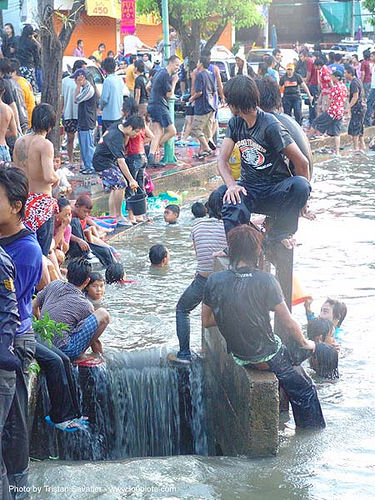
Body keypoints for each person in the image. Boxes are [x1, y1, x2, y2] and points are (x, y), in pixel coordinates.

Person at [202, 224, 325, 429]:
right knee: (305, 389)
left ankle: (284, 414)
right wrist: (306, 343)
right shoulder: (267, 280)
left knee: (296, 363)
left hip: (239, 355)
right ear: (258, 251)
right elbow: (288, 323)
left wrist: (231, 314)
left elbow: (206, 322)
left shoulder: (214, 280)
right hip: (266, 356)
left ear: (231, 251)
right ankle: (310, 438)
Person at [218, 75, 310, 250]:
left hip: (275, 191)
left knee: (301, 185)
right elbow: (222, 160)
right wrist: (231, 185)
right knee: (221, 196)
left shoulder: (270, 125)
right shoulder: (235, 123)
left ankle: (279, 235)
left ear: (235, 105)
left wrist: (302, 201)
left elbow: (302, 162)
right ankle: (240, 247)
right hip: (249, 188)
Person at [0, 164, 40, 498]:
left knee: (12, 426)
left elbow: (9, 306)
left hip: (12, 341)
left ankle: (18, 489)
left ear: (15, 205)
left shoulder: (27, 250)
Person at [176, 190, 227, 361]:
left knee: (182, 310)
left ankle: (184, 353)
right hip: (225, 282)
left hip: (203, 280)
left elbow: (200, 255)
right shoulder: (231, 226)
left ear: (208, 208)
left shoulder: (196, 226)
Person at [32, 258, 110, 362]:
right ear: (87, 281)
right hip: (64, 351)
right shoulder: (85, 304)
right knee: (103, 314)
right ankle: (80, 355)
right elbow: (94, 339)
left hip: (42, 342)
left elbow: (34, 306)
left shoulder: (54, 284)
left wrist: (40, 323)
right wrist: (100, 357)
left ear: (67, 274)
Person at [13, 103, 59, 256]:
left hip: (22, 201)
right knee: (41, 253)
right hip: (41, 204)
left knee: (24, 248)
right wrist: (57, 177)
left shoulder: (20, 142)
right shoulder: (45, 145)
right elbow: (48, 176)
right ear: (50, 124)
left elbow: (14, 173)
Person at [93, 115, 144, 224]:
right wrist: (131, 180)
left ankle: (112, 216)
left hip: (106, 161)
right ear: (130, 127)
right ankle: (119, 215)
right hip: (102, 162)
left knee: (115, 187)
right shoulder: (115, 137)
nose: (136, 135)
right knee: (121, 183)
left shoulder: (119, 125)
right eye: (136, 131)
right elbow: (121, 161)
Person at [147, 55, 181, 167]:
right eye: (176, 65)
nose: (178, 68)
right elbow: (169, 94)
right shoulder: (166, 75)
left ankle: (151, 155)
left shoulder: (158, 72)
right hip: (159, 105)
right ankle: (155, 147)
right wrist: (175, 81)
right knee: (172, 131)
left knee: (158, 132)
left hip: (152, 103)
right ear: (170, 63)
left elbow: (148, 86)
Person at [68, 195, 117, 267]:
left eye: (88, 212)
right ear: (77, 206)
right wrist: (78, 240)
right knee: (75, 222)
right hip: (72, 247)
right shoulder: (69, 216)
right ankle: (86, 254)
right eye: (84, 211)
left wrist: (97, 227)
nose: (86, 214)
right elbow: (65, 233)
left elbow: (88, 220)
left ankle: (115, 271)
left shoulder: (81, 216)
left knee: (106, 251)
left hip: (83, 245)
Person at [308, 71, 348, 156]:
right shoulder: (344, 87)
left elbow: (330, 100)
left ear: (337, 77)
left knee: (315, 123)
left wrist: (327, 109)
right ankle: (337, 152)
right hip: (340, 112)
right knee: (337, 132)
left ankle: (306, 142)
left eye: (333, 76)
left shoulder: (335, 87)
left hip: (332, 111)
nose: (331, 78)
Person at [189, 55, 216, 159]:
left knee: (196, 129)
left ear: (200, 64)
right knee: (205, 131)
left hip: (202, 107)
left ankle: (206, 148)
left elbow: (199, 92)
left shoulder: (200, 75)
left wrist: (192, 98)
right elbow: (214, 91)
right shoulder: (210, 74)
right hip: (211, 106)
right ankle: (201, 151)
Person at [71, 68, 97, 174]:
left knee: (88, 146)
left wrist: (77, 85)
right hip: (83, 121)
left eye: (76, 79)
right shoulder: (85, 88)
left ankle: (91, 166)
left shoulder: (88, 89)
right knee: (84, 145)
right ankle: (87, 165)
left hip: (87, 121)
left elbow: (76, 99)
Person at [61, 59, 86, 166]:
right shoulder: (65, 81)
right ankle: (70, 160)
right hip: (69, 113)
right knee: (70, 137)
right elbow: (62, 97)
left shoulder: (85, 83)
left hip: (81, 114)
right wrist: (61, 110)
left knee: (82, 139)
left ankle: (82, 161)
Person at [0, 57, 28, 135]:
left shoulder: (5, 84)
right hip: (23, 118)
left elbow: (13, 105)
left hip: (15, 122)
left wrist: (18, 126)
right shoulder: (14, 82)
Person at [99, 57, 125, 133]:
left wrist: (100, 107)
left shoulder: (107, 80)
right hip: (118, 114)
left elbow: (104, 99)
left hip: (108, 115)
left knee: (107, 138)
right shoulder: (119, 79)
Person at [345, 65, 367, 153]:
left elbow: (355, 97)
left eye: (345, 73)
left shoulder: (354, 83)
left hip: (358, 108)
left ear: (350, 73)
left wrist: (348, 107)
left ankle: (356, 148)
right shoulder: (358, 81)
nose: (344, 75)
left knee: (355, 127)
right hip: (362, 107)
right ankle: (362, 145)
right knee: (359, 127)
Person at [9, 58, 35, 130]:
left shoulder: (18, 86)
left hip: (26, 120)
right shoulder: (23, 80)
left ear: (13, 72)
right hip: (29, 118)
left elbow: (19, 105)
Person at [17, 24, 40, 92]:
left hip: (19, 65)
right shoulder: (32, 43)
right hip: (29, 66)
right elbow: (37, 56)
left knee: (20, 84)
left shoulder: (18, 40)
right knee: (30, 85)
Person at [0, 78, 17, 161]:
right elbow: (14, 133)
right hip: (3, 148)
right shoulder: (8, 110)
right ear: (3, 91)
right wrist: (2, 132)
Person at [364, 51, 375, 126]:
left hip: (374, 88)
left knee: (369, 102)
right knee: (370, 103)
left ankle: (367, 121)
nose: (370, 58)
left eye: (372, 56)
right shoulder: (372, 65)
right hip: (373, 87)